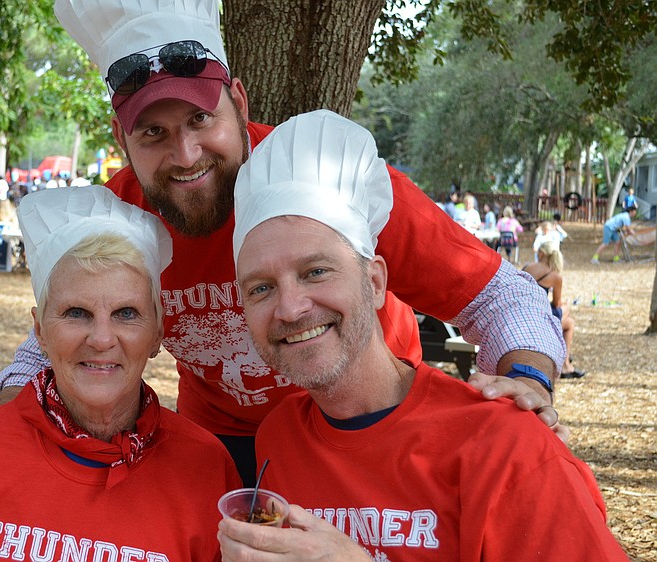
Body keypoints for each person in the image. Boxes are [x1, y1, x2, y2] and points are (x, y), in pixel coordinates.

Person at [0, 0, 565, 490]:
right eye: (155, 135)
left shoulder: (331, 185)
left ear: (237, 102)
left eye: (201, 120)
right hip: (228, 447)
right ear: (122, 142)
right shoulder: (124, 217)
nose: (186, 154)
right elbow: (58, 337)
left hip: (373, 422)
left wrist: (525, 385)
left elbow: (506, 298)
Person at [219, 110, 628, 561]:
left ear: (375, 283)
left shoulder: (505, 447)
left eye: (316, 271)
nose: (290, 307)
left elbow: (507, 297)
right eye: (261, 288)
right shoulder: (280, 439)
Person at [0, 185, 240, 561]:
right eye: (76, 313)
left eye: (127, 314)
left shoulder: (205, 466)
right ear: (40, 332)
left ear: (157, 334)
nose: (101, 339)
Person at [523, 241, 583, 379]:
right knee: (569, 322)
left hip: (524, 311)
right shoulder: (555, 277)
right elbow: (556, 304)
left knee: (565, 313)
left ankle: (560, 352)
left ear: (541, 253)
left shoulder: (527, 267)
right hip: (538, 318)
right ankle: (565, 364)